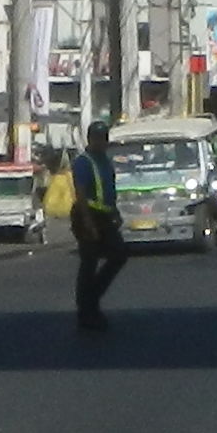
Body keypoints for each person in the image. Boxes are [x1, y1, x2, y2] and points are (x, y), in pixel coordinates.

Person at [67, 116, 132, 334]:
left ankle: (90, 298)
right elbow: (82, 194)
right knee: (89, 262)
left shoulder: (105, 160)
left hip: (105, 216)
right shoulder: (83, 161)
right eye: (98, 138)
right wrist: (88, 224)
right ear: (90, 139)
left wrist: (115, 213)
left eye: (104, 137)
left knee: (119, 255)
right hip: (88, 215)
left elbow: (109, 190)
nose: (102, 142)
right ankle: (86, 310)